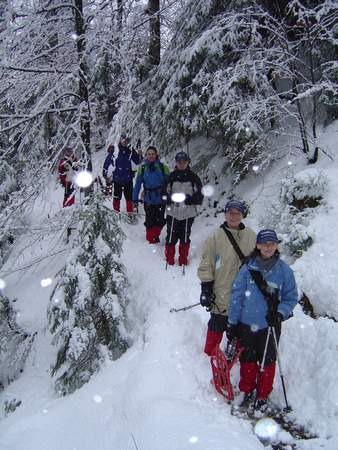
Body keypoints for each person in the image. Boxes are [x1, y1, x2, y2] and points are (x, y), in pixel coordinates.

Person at [227, 229, 298, 412]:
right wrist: (232, 323)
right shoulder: (248, 268)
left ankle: (263, 394)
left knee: (268, 361)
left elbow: (291, 297)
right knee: (248, 359)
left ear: (276, 246)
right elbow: (236, 296)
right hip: (246, 324)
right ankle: (247, 390)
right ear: (257, 245)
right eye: (264, 243)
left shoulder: (284, 271)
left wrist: (280, 313)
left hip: (271, 325)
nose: (268, 247)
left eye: (272, 244)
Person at [197, 200, 256, 356]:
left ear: (243, 215)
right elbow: (207, 262)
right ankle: (209, 354)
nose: (234, 216)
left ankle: (233, 356)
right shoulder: (215, 237)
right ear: (225, 214)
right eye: (231, 212)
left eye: (237, 213)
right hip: (221, 290)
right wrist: (206, 287)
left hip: (244, 291)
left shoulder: (251, 236)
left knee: (238, 325)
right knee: (217, 323)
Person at [164, 151, 203, 266]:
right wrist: (172, 198)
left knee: (185, 237)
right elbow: (163, 194)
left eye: (184, 162)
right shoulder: (171, 177)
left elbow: (200, 196)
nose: (181, 164)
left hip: (188, 213)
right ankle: (169, 258)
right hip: (173, 213)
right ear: (176, 163)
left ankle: (183, 259)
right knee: (170, 236)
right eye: (179, 162)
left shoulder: (193, 177)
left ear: (187, 162)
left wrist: (188, 199)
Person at [133, 146, 170, 243]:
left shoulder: (163, 167)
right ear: (146, 155)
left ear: (156, 154)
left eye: (153, 153)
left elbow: (170, 183)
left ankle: (155, 235)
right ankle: (151, 240)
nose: (151, 156)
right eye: (149, 154)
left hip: (160, 198)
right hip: (148, 198)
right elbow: (137, 184)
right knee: (149, 221)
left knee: (160, 221)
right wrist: (134, 198)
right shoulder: (143, 168)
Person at [104, 134, 142, 214]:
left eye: (128, 140)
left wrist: (139, 155)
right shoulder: (115, 150)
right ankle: (116, 213)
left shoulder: (130, 150)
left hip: (128, 178)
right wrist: (105, 174)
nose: (126, 142)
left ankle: (130, 214)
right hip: (117, 179)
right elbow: (107, 162)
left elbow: (138, 161)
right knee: (117, 197)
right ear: (121, 140)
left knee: (129, 197)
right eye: (124, 140)